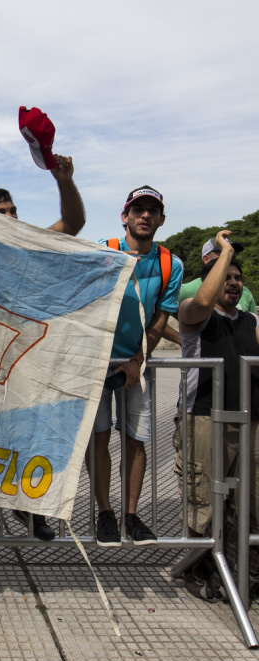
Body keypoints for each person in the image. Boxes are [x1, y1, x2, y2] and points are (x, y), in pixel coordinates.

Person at [0, 159, 85, 543]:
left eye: (13, 210)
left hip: (24, 357)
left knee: (25, 430)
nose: (11, 216)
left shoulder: (30, 244)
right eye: (0, 212)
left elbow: (72, 225)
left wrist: (64, 182)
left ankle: (26, 505)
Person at [90, 185, 183, 547]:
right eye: (138, 209)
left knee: (136, 442)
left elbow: (161, 318)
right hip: (97, 362)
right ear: (124, 216)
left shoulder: (169, 264)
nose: (145, 215)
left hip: (134, 363)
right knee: (98, 440)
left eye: (152, 210)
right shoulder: (104, 249)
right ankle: (104, 513)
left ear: (161, 219)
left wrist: (138, 361)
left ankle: (131, 515)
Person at [174, 230, 259, 540]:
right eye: (226, 276)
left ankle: (242, 567)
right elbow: (204, 300)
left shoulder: (251, 321)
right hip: (204, 418)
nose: (234, 282)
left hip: (248, 422)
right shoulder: (192, 313)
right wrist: (224, 253)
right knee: (203, 503)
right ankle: (197, 567)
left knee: (248, 502)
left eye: (238, 277)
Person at [179, 237, 256, 313]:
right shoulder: (187, 290)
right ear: (206, 259)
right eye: (223, 254)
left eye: (232, 254)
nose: (229, 258)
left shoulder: (245, 293)